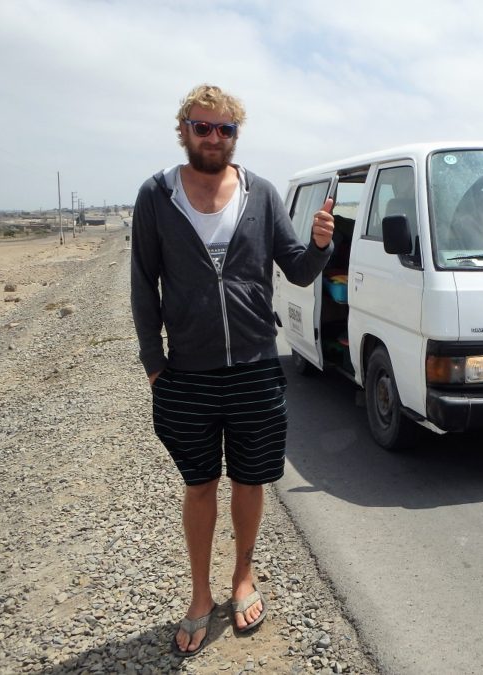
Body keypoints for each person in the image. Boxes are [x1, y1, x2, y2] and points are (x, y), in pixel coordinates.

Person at [130, 84, 334, 658]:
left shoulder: (262, 194)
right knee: (199, 487)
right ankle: (200, 595)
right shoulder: (156, 195)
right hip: (186, 374)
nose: (214, 138)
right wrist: (154, 365)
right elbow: (143, 284)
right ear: (184, 130)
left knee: (250, 481)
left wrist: (319, 246)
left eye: (226, 129)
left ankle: (242, 576)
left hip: (254, 369)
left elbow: (296, 269)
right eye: (203, 127)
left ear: (236, 136)